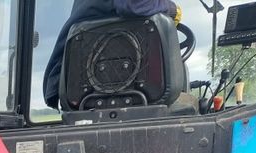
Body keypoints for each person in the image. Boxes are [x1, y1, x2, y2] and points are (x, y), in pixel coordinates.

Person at [44, 0, 182, 108]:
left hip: (80, 88)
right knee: (185, 104)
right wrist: (172, 10)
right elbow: (133, 5)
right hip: (89, 86)